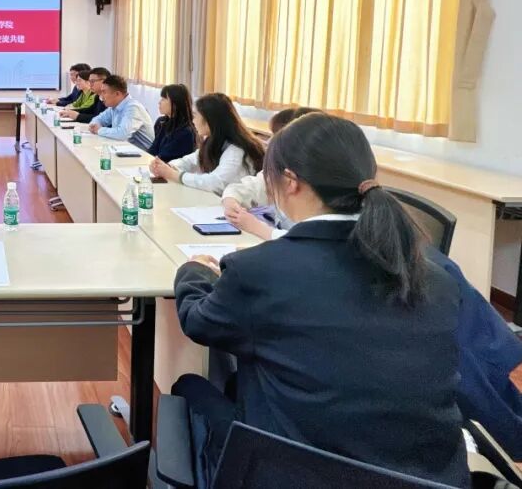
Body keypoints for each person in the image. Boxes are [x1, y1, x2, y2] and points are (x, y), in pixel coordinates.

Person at [172, 113, 468, 487]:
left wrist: (193, 272)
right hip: (429, 478)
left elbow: (198, 321)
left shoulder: (258, 271)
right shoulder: (436, 277)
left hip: (293, 473)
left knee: (189, 386)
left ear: (290, 181)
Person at [221, 107, 320, 239]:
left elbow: (306, 241)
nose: (269, 142)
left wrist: (257, 227)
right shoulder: (280, 170)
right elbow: (244, 188)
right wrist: (230, 202)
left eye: (276, 135)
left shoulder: (315, 186)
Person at [150, 93, 263, 195]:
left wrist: (175, 175)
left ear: (209, 120)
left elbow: (216, 183)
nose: (193, 121)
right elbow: (190, 160)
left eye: (195, 116)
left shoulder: (237, 149)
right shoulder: (213, 141)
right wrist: (167, 167)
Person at [87, 74, 153, 149]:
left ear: (117, 94)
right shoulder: (114, 106)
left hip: (142, 153)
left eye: (104, 92)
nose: (101, 96)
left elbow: (122, 134)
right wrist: (94, 126)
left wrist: (99, 130)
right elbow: (98, 119)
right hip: (123, 148)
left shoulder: (133, 107)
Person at [145, 84, 196, 162]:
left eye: (164, 99)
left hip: (169, 167)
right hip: (156, 164)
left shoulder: (185, 132)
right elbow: (153, 149)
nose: (159, 102)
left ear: (175, 103)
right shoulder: (161, 122)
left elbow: (164, 157)